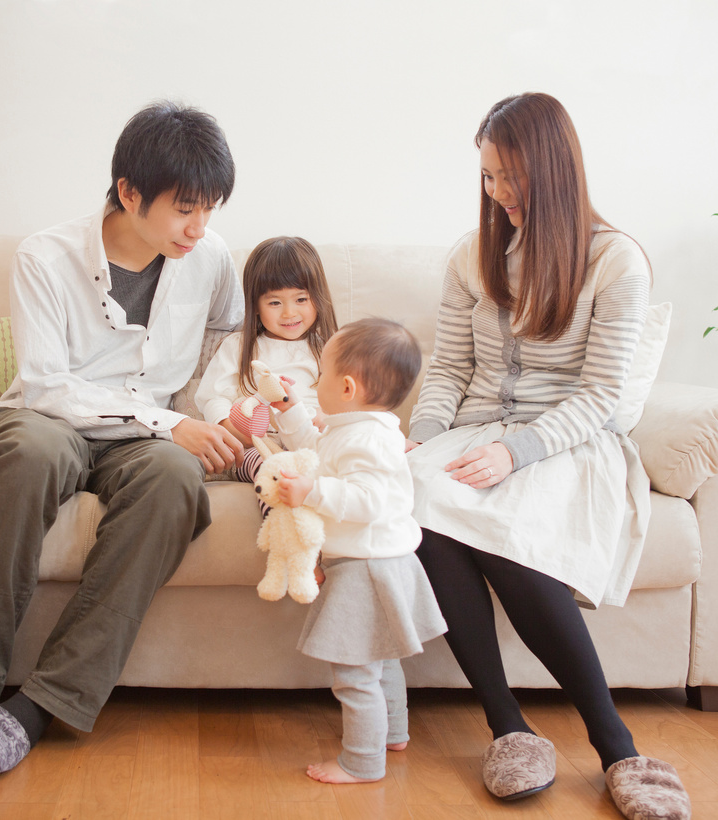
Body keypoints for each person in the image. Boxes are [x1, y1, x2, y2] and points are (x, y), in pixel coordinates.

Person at [0, 100, 245, 775]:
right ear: (128, 192)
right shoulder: (45, 256)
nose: (198, 227)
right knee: (28, 455)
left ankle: (37, 706)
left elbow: (230, 337)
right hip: (50, 419)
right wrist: (172, 422)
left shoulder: (211, 258)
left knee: (176, 480)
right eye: (184, 208)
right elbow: (46, 387)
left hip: (142, 435)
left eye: (209, 208)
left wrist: (214, 413)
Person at [405, 93, 691, 819]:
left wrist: (515, 451)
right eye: (487, 177)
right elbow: (447, 367)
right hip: (471, 433)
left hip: (566, 440)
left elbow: (600, 394)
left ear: (553, 170)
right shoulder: (471, 255)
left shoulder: (614, 260)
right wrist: (424, 433)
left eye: (510, 177)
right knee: (419, 509)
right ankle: (507, 726)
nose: (496, 194)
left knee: (506, 538)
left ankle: (615, 744)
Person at [270, 318, 447, 784]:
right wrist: (288, 408)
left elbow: (371, 501)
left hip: (366, 570)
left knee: (354, 672)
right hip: (376, 564)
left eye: (320, 375)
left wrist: (310, 493)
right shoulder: (355, 428)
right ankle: (394, 733)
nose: (315, 383)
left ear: (346, 387)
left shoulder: (368, 441)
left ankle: (362, 761)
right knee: (381, 656)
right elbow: (314, 448)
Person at [194, 236, 338, 503]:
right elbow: (213, 396)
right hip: (257, 446)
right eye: (275, 303)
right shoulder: (238, 346)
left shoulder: (329, 349)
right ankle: (281, 526)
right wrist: (228, 426)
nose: (289, 313)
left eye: (301, 299)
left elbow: (349, 399)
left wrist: (327, 416)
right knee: (272, 472)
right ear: (256, 306)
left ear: (318, 298)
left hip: (311, 442)